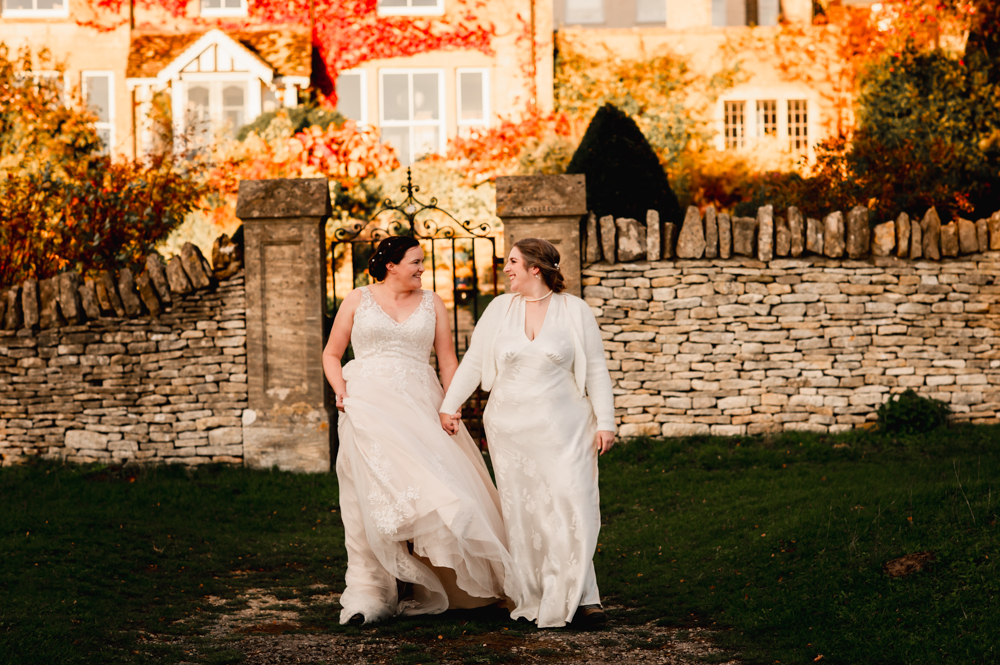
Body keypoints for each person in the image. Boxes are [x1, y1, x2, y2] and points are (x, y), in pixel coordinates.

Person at [323, 235, 522, 625]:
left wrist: (452, 406)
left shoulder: (434, 303)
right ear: (391, 264)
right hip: (368, 407)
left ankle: (448, 582)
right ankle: (372, 591)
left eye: (422, 261)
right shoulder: (356, 299)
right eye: (414, 261)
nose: (421, 268)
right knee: (373, 494)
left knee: (438, 487)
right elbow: (332, 354)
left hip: (422, 405)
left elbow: (448, 360)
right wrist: (341, 392)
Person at [438, 238, 616, 629]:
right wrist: (450, 405)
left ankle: (584, 596)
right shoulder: (500, 309)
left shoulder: (575, 310)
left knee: (572, 506)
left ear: (536, 268)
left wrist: (607, 422)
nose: (506, 269)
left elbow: (598, 368)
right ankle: (536, 593)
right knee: (526, 513)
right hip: (510, 431)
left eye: (513, 261)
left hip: (565, 429)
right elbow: (471, 363)